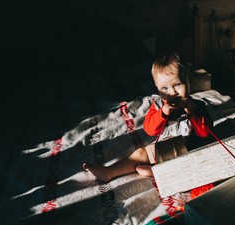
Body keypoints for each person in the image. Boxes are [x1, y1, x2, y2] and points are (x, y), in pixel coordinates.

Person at [83, 52, 213, 182]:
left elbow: (205, 133)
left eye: (177, 84)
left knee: (199, 163)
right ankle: (109, 172)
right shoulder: (157, 106)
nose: (172, 92)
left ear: (189, 82)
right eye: (164, 88)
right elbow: (149, 129)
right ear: (157, 90)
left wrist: (192, 113)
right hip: (164, 148)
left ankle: (157, 172)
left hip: (189, 151)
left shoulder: (197, 107)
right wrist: (163, 113)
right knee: (140, 153)